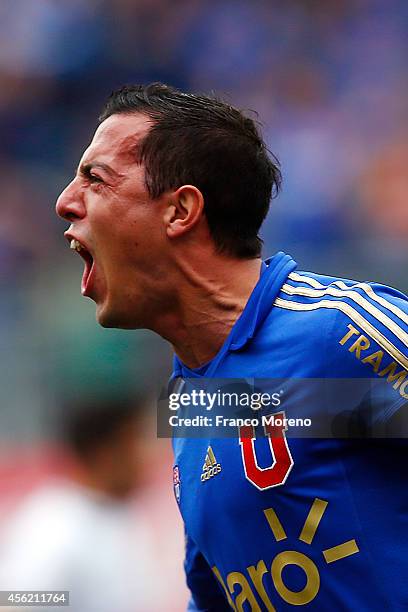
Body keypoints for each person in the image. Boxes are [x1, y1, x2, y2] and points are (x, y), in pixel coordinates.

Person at [56, 83, 407, 611]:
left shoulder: (338, 332)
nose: (65, 202)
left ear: (181, 211)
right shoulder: (197, 402)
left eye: (95, 180)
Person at [0, 399, 160, 612]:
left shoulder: (122, 514)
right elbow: (15, 601)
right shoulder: (57, 522)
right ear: (106, 452)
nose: (148, 455)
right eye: (137, 441)